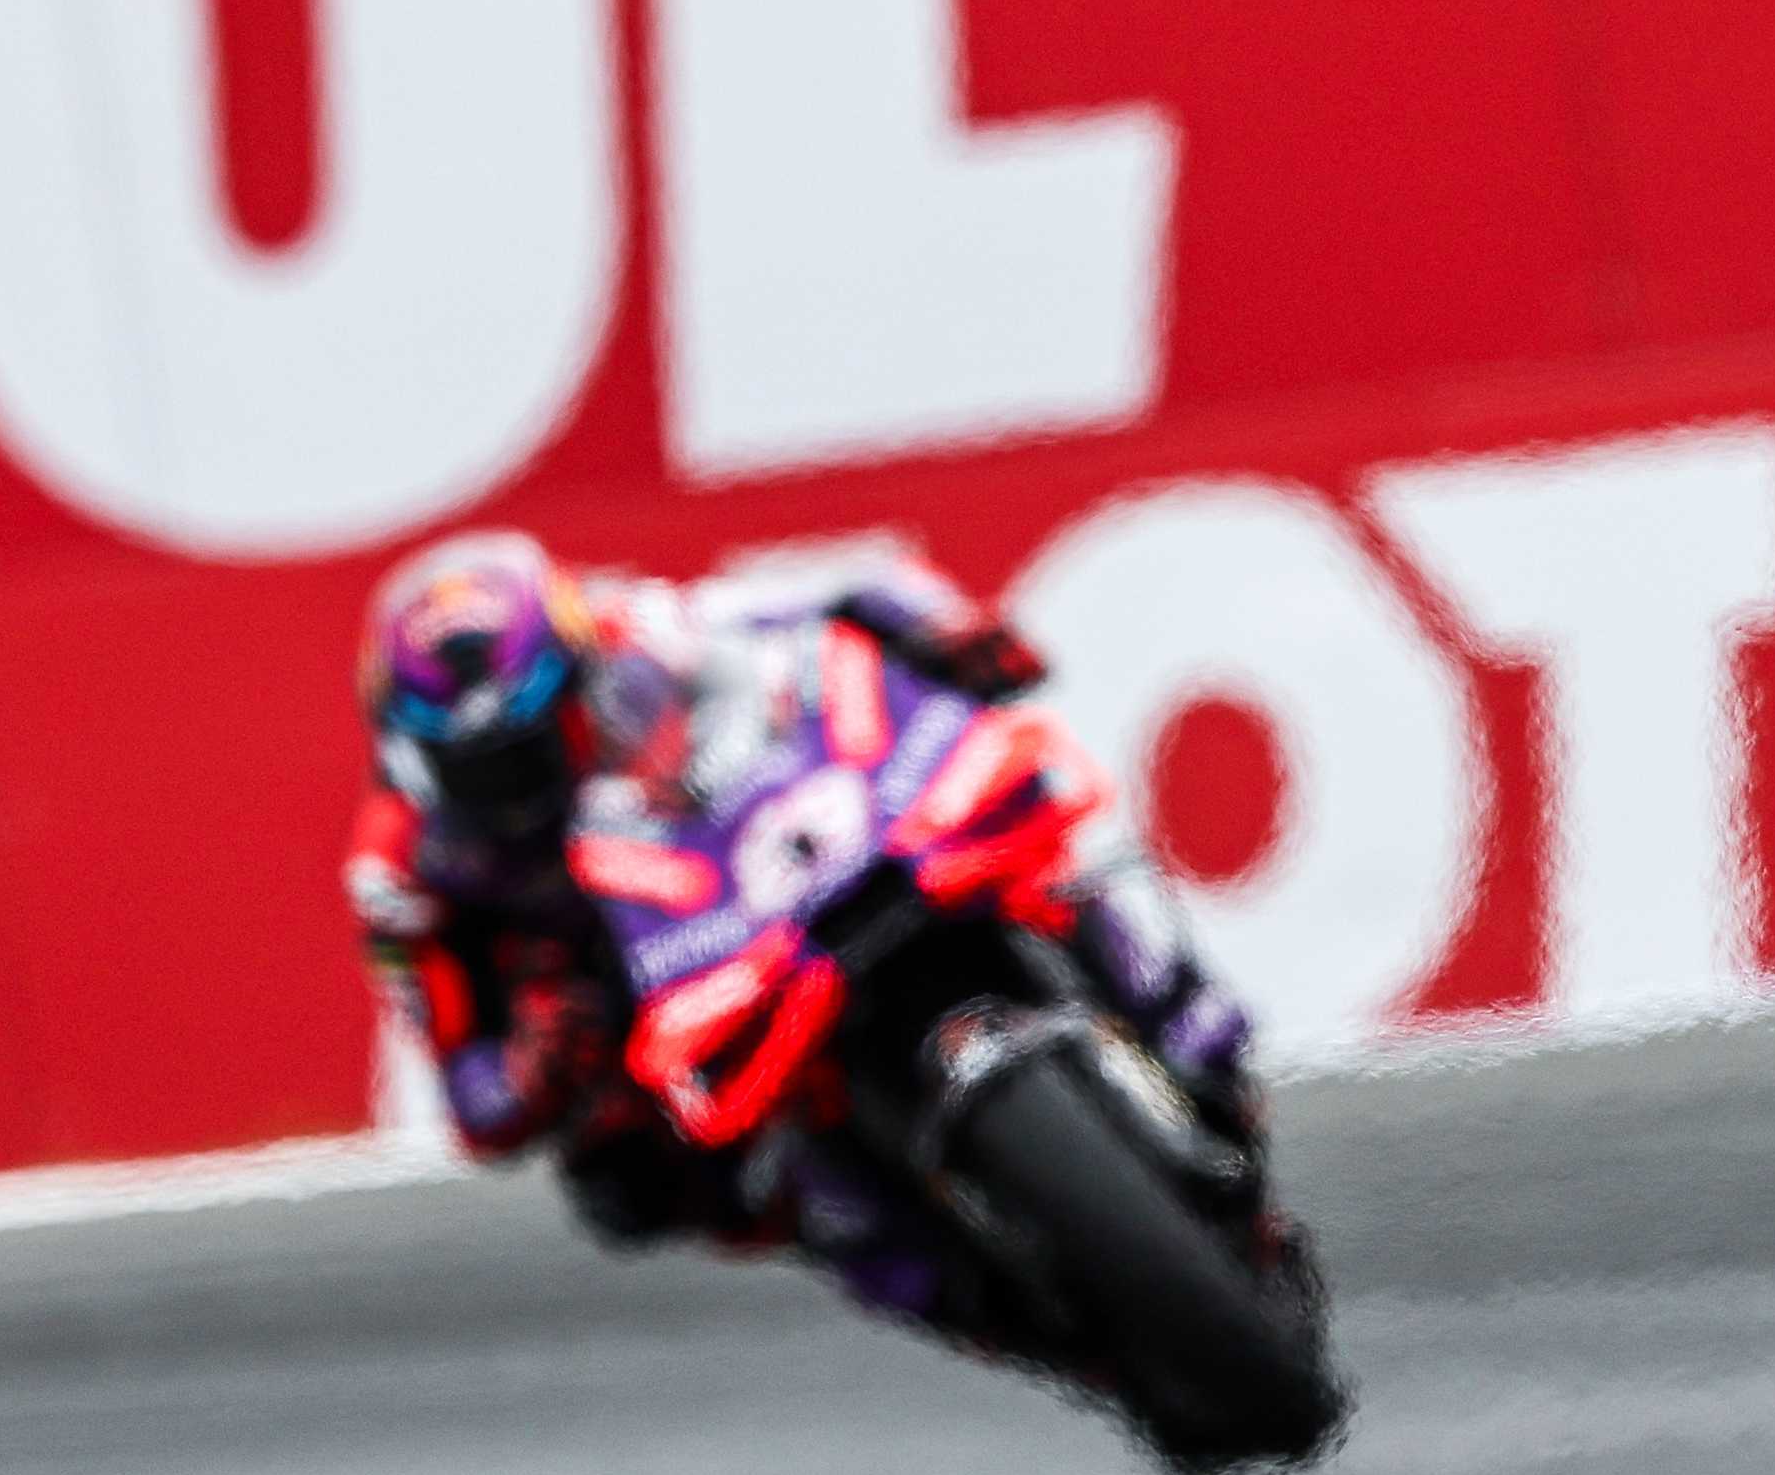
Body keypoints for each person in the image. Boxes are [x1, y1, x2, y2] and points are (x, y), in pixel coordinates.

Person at [345, 527, 1266, 1358]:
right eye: (479, 765)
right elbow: (470, 1094)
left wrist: (943, 628)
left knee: (1034, 821)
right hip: (638, 999)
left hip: (755, 872)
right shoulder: (407, 873)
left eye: (531, 740)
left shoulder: (648, 631)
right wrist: (534, 1067)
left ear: (578, 673)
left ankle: (1181, 1027)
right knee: (633, 1185)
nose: (512, 780)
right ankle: (969, 1299)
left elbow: (854, 588)